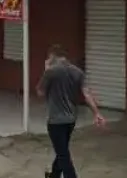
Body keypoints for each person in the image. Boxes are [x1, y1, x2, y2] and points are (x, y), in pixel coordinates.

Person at [36, 44, 105, 178]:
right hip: (71, 120)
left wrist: (46, 70)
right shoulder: (78, 72)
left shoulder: (51, 72)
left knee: (63, 154)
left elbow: (40, 92)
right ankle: (54, 175)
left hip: (55, 120)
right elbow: (87, 94)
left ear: (52, 56)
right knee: (62, 150)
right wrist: (97, 113)